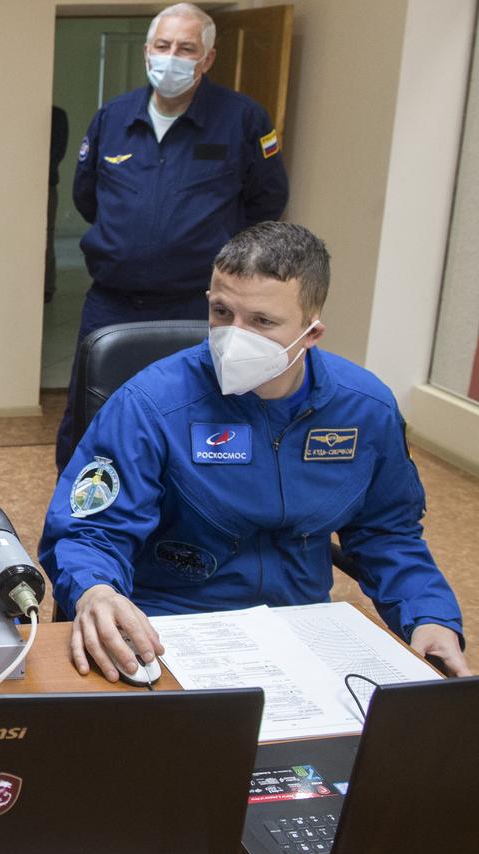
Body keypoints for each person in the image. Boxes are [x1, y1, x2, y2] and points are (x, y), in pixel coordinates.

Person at [39, 222, 469, 682]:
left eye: (262, 322)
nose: (233, 335)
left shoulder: (364, 409)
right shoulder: (150, 404)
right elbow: (92, 532)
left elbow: (388, 532)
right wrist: (97, 591)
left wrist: (429, 616)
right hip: (171, 624)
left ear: (311, 332)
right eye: (222, 312)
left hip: (302, 628)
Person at [54, 3, 289, 472]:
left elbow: (268, 203)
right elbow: (88, 198)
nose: (172, 57)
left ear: (207, 59)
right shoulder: (113, 117)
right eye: (163, 46)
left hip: (198, 304)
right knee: (92, 410)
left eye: (186, 48)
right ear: (147, 51)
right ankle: (80, 498)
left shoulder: (243, 119)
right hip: (112, 303)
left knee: (196, 413)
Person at [45, 105, 69, 304]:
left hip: (47, 183)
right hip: (25, 184)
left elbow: (58, 151)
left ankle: (47, 287)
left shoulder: (58, 116)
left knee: (47, 234)